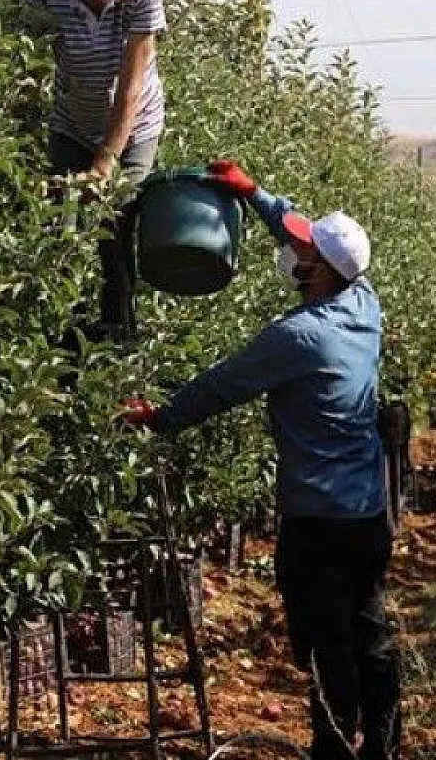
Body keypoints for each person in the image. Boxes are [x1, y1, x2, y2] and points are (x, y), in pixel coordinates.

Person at [119, 159, 401, 760]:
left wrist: (160, 416)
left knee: (327, 642)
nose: (296, 249)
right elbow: (299, 230)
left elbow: (221, 385)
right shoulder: (366, 306)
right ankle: (382, 744)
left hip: (316, 520)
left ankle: (335, 746)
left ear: (321, 271)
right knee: (371, 629)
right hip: (369, 513)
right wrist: (255, 196)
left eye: (309, 251)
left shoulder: (298, 337)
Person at [22, 0, 167, 342]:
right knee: (57, 224)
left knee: (114, 219)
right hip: (71, 120)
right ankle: (56, 336)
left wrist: (106, 162)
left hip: (134, 125)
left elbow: (132, 85)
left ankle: (118, 337)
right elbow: (29, 73)